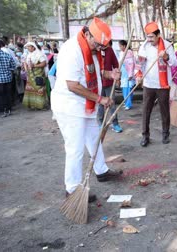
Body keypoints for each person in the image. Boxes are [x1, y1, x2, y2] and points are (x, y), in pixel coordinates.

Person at [51, 17, 122, 198]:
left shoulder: (94, 49)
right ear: (88, 34)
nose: (99, 50)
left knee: (94, 139)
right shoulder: (71, 49)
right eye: (98, 45)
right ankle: (72, 189)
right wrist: (100, 99)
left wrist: (110, 74)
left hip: (86, 105)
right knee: (75, 148)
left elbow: (96, 72)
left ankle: (101, 171)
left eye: (102, 48)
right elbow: (73, 85)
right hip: (69, 106)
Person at [138, 21, 177, 147]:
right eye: (147, 36)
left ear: (158, 35)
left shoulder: (167, 45)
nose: (149, 39)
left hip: (163, 85)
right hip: (148, 84)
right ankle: (145, 136)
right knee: (146, 110)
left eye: (151, 37)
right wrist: (138, 75)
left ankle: (165, 134)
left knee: (164, 110)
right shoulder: (144, 46)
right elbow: (140, 64)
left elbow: (175, 63)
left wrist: (165, 56)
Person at [97, 40, 122, 133]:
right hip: (98, 84)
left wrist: (117, 75)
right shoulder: (96, 50)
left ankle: (115, 123)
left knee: (112, 103)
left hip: (109, 83)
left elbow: (116, 64)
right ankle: (100, 124)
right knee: (100, 104)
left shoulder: (110, 50)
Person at [22, 41, 48, 110]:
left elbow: (44, 63)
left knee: (39, 89)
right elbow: (26, 63)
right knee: (31, 90)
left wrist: (34, 65)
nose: (28, 48)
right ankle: (33, 105)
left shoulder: (39, 54)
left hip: (38, 75)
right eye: (27, 47)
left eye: (29, 47)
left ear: (33, 47)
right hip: (30, 75)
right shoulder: (29, 55)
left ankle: (41, 106)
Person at [0, 39, 16, 117]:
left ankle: (1, 110)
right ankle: (8, 110)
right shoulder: (7, 55)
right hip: (8, 78)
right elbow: (14, 66)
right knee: (8, 94)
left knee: (0, 94)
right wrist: (7, 70)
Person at [119, 39, 135, 110]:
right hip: (123, 73)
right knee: (124, 88)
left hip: (128, 73)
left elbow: (131, 64)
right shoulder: (121, 53)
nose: (120, 47)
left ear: (124, 46)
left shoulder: (129, 52)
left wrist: (130, 74)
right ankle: (126, 103)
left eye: (120, 46)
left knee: (128, 89)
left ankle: (128, 104)